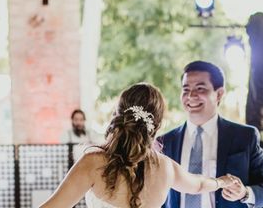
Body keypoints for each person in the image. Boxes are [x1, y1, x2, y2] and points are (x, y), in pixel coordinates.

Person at [40, 83, 237, 208]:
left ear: (118, 115)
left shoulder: (93, 162)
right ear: (157, 126)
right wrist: (222, 182)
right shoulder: (166, 167)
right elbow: (198, 184)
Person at [160, 61, 263, 208]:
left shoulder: (245, 136)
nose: (191, 95)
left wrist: (244, 193)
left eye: (200, 88)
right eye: (186, 89)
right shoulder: (164, 142)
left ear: (219, 93)